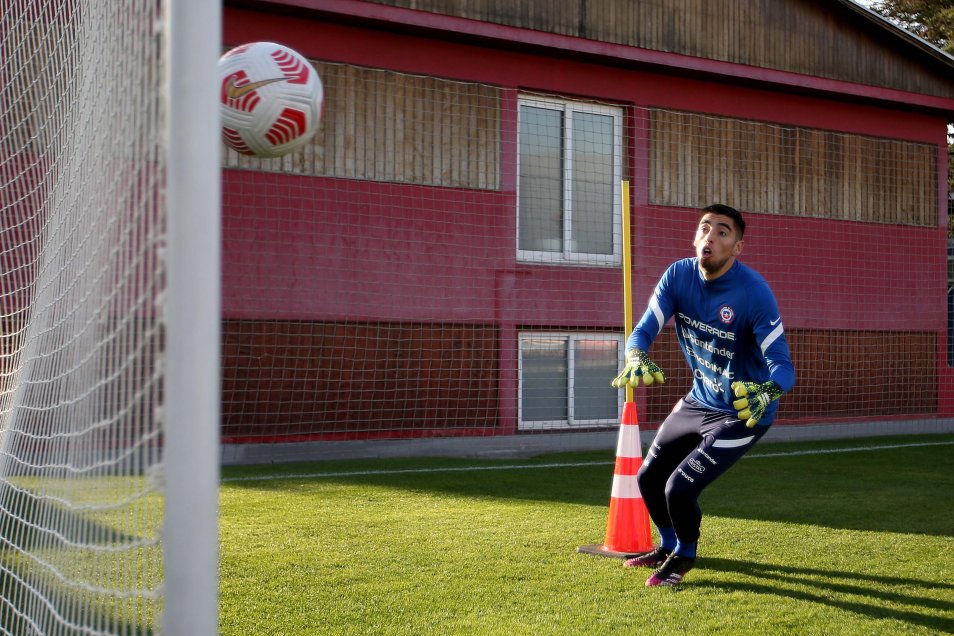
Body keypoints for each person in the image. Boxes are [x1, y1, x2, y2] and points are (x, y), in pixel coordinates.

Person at [611, 203, 795, 588]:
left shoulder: (754, 294)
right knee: (647, 478)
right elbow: (643, 330)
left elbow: (783, 367)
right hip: (699, 400)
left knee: (679, 486)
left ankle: (684, 556)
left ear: (736, 247)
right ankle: (667, 545)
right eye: (705, 227)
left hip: (743, 412)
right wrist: (635, 354)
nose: (710, 235)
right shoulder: (678, 276)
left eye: (722, 231)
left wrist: (768, 391)